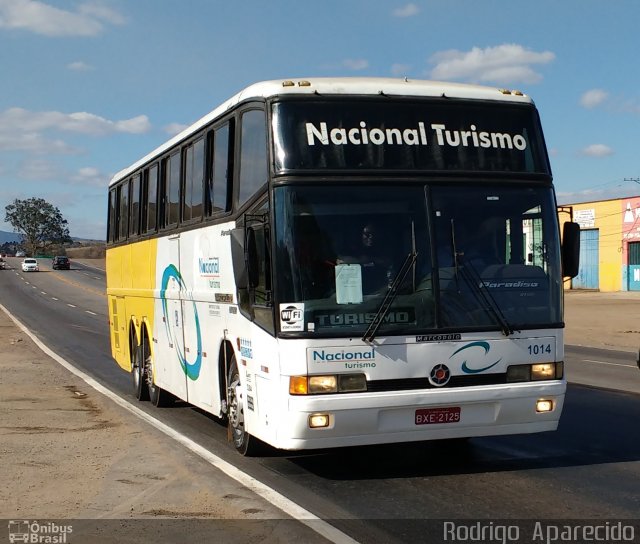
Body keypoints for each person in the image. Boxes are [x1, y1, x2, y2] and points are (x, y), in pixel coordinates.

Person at [338, 222, 394, 293]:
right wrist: (361, 261)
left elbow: (388, 263)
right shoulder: (350, 251)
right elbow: (340, 260)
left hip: (379, 296)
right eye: (367, 234)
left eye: (373, 234)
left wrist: (372, 259)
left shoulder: (381, 251)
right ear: (359, 235)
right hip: (353, 293)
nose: (371, 237)